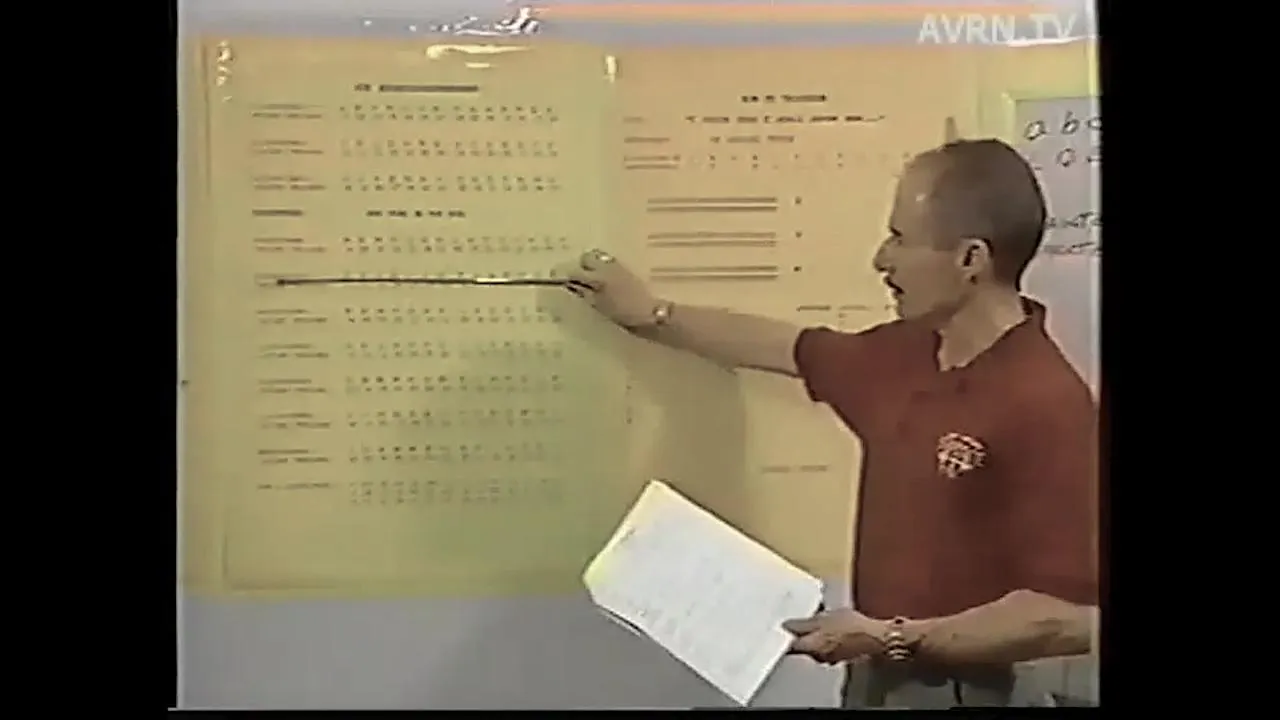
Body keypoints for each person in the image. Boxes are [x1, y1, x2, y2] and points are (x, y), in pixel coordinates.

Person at [563, 137, 1099, 708]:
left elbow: (1065, 619)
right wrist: (650, 315)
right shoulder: (903, 354)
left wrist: (893, 637)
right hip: (878, 677)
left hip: (976, 689)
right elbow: (784, 347)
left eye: (900, 238)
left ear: (971, 259)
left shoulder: (1046, 400)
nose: (881, 260)